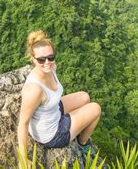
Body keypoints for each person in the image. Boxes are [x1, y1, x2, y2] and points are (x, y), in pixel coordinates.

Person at [17, 30, 101, 167]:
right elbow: (23, 123)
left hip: (52, 110)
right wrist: (23, 159)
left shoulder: (51, 68)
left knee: (85, 97)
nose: (47, 62)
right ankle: (82, 144)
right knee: (96, 108)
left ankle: (77, 132)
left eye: (51, 57)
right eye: (41, 59)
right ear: (33, 59)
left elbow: (49, 66)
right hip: (52, 134)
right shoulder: (34, 89)